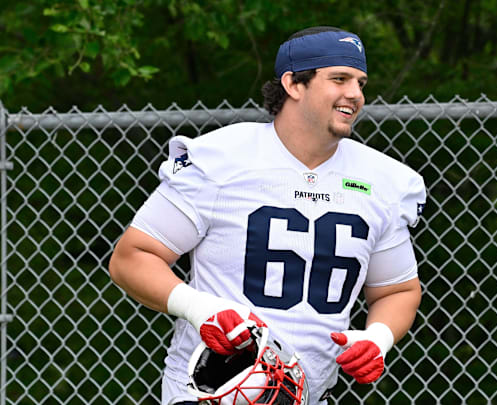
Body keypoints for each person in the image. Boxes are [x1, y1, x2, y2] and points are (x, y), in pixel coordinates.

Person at [108, 26, 426, 405]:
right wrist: (200, 309)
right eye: (339, 79)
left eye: (360, 82)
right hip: (208, 396)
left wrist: (378, 337)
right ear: (293, 84)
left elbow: (398, 290)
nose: (355, 94)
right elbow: (132, 257)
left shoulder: (384, 181)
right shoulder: (221, 159)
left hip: (309, 395)